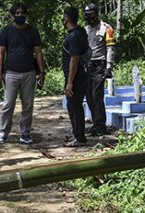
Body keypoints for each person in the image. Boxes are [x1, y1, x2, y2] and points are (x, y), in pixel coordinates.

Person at [0, 3, 45, 145]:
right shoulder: (6, 31)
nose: (19, 15)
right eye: (16, 13)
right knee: (8, 104)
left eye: (22, 12)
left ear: (25, 14)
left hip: (29, 73)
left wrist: (42, 72)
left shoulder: (33, 31)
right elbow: (1, 53)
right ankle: (3, 133)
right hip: (11, 73)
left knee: (28, 105)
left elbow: (38, 52)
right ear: (12, 15)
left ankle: (25, 133)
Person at [83, 3, 115, 137]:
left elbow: (110, 48)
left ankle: (101, 126)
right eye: (87, 15)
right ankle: (96, 124)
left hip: (100, 66)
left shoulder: (106, 28)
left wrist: (109, 67)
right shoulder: (85, 30)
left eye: (91, 15)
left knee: (97, 96)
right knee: (89, 96)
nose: (89, 17)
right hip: (88, 66)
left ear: (96, 13)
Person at [61, 6, 89, 147]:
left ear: (66, 19)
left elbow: (74, 59)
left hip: (76, 77)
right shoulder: (79, 32)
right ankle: (76, 134)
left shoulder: (75, 36)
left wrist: (70, 82)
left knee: (75, 106)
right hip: (76, 76)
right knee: (72, 106)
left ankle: (80, 138)